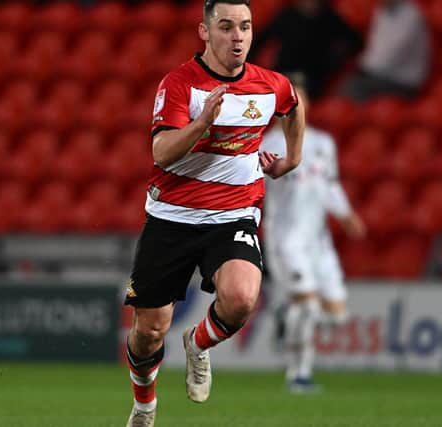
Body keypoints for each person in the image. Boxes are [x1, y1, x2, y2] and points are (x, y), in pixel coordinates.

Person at [123, 1, 305, 426]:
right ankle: (145, 406)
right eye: (226, 27)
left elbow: (293, 107)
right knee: (149, 332)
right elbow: (161, 152)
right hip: (172, 216)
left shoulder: (268, 85)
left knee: (242, 297)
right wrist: (201, 123)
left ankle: (198, 344)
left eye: (245, 27)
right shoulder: (181, 84)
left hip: (233, 214)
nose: (237, 36)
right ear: (205, 32)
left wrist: (291, 159)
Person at [260, 72, 366, 393]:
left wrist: (346, 214)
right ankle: (298, 375)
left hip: (319, 243)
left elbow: (329, 185)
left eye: (301, 99)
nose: (296, 106)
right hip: (285, 240)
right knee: (306, 305)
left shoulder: (322, 144)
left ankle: (283, 315)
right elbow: (252, 192)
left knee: (335, 315)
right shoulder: (265, 146)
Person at [249, 0, 363, 99]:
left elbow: (355, 42)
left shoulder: (330, 19)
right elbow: (259, 41)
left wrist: (335, 60)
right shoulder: (287, 15)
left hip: (313, 79)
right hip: (283, 72)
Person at [337, 0, 430, 101]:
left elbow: (390, 55)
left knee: (352, 89)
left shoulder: (411, 15)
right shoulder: (382, 11)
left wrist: (361, 65)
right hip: (383, 74)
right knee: (345, 85)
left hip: (404, 82)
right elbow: (375, 45)